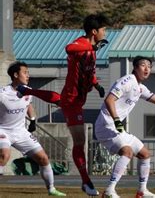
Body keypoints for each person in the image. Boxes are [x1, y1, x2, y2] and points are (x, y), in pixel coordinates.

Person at [17, 14, 109, 196]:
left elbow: (89, 70)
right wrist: (92, 46)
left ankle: (26, 90)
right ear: (94, 31)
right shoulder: (81, 44)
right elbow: (69, 48)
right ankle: (86, 182)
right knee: (80, 141)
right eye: (104, 29)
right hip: (73, 100)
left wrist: (96, 84)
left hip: (77, 99)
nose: (105, 32)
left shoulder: (91, 49)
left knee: (57, 99)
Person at [95, 56, 155, 198]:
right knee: (127, 152)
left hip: (117, 128)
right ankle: (109, 190)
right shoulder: (128, 80)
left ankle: (142, 191)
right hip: (106, 125)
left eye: (149, 66)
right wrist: (117, 121)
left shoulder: (140, 87)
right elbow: (109, 100)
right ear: (135, 68)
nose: (147, 68)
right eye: (143, 65)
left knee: (145, 154)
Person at [0, 61, 66, 196]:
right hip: (3, 130)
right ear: (15, 75)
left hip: (20, 131)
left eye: (28, 73)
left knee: (43, 158)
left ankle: (51, 189)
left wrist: (33, 120)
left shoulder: (28, 91)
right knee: (4, 156)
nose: (28, 75)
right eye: (25, 72)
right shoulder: (3, 93)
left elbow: (28, 105)